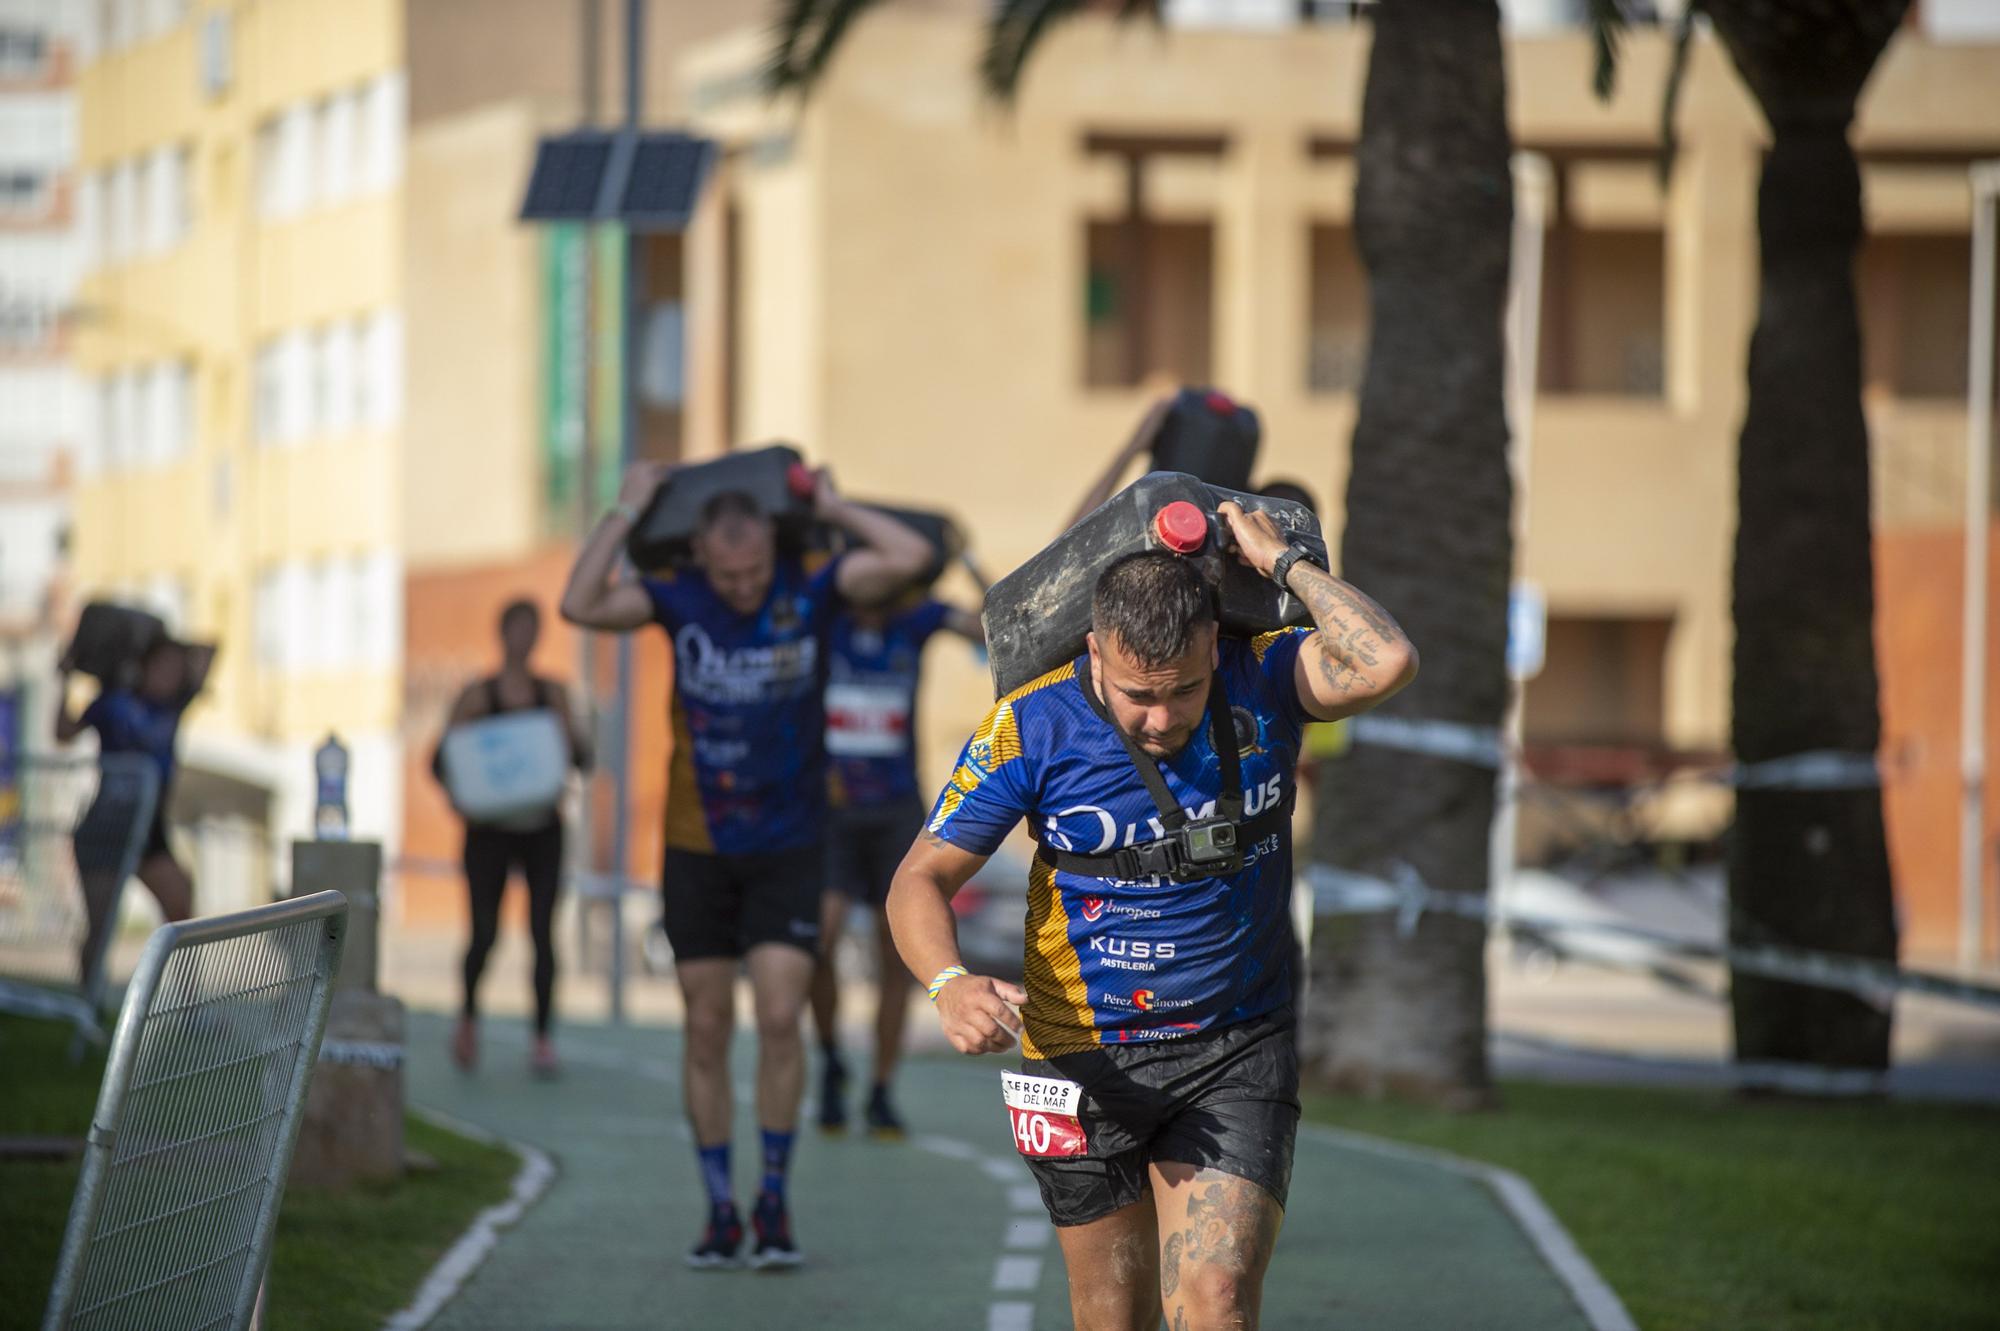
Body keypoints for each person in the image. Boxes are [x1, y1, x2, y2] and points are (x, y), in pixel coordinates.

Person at [887, 504, 1417, 1331]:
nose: (1162, 719)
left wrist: (1285, 568)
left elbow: (1386, 658)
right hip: (1079, 1055)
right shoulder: (1030, 724)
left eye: (1184, 692)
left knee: (1218, 1302)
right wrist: (949, 984)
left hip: (1237, 1042)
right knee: (1112, 1317)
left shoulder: (1266, 676)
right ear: (1094, 651)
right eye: (1138, 696)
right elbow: (918, 878)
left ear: (1214, 645)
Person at [560, 460, 931, 1271]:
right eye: (727, 572)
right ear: (698, 554)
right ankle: (720, 1207)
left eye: (755, 569)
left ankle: (773, 1197)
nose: (741, 585)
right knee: (705, 1024)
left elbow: (909, 559)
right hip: (698, 846)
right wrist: (626, 505)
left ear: (774, 548)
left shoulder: (813, 586)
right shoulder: (676, 595)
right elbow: (578, 602)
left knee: (775, 1015)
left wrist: (834, 503)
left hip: (792, 843)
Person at [812, 586, 984, 1137]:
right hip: (832, 811)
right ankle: (831, 1057)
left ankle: (882, 1088)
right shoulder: (823, 611)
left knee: (896, 956)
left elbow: (989, 631)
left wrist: (964, 570)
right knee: (821, 938)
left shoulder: (914, 617)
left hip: (894, 811)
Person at [436, 599, 592, 1079]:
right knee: (484, 932)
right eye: (515, 629)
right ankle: (468, 1018)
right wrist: (463, 798)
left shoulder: (554, 696)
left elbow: (583, 758)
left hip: (542, 829)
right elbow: (442, 761)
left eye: (531, 629)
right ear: (502, 633)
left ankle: (542, 1037)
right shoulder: (477, 697)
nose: (522, 638)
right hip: (489, 833)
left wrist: (568, 736)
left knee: (543, 933)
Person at [55, 634, 214, 979]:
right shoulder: (113, 703)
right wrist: (65, 678)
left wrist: (154, 631)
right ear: (143, 667)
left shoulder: (173, 705)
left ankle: (186, 1002)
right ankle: (89, 1006)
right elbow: (63, 733)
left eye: (175, 669)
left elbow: (207, 651)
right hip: (108, 825)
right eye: (161, 666)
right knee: (101, 926)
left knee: (181, 908)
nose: (168, 676)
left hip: (151, 830)